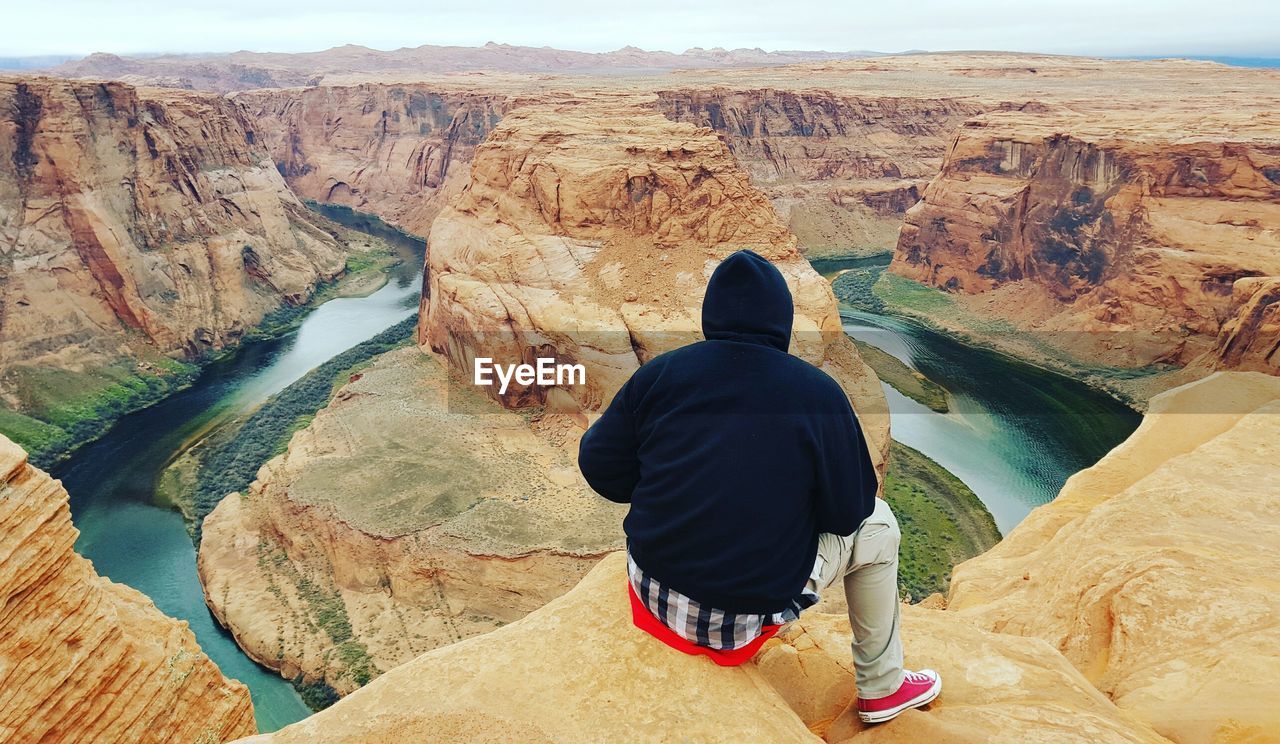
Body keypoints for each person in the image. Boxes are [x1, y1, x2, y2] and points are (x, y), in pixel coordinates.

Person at [578, 249, 941, 724]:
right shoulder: (818, 393)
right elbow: (848, 513)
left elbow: (600, 466)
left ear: (711, 314)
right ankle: (882, 689)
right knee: (881, 524)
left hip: (654, 596)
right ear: (782, 320)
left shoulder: (660, 375)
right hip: (744, 621)